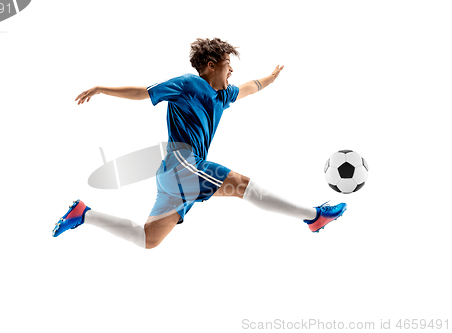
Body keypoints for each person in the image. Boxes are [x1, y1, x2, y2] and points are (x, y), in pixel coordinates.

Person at [52, 38, 347, 249]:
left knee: (148, 240)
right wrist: (102, 88)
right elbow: (143, 92)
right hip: (183, 165)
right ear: (210, 66)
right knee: (242, 185)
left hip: (176, 178)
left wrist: (270, 78)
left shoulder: (223, 96)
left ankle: (83, 214)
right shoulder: (188, 84)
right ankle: (314, 216)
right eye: (227, 64)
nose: (231, 71)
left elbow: (250, 88)